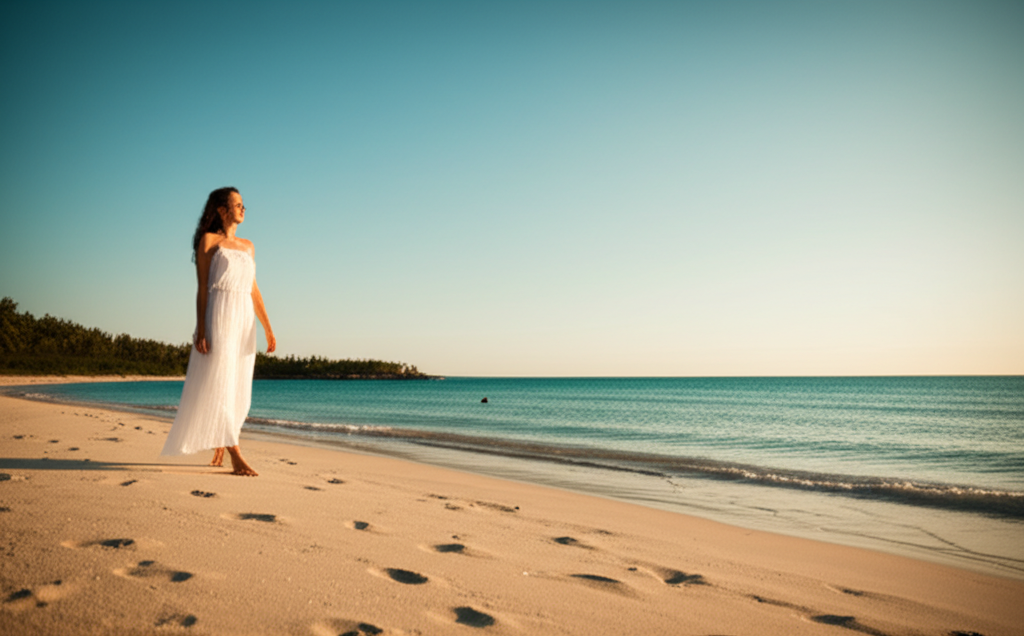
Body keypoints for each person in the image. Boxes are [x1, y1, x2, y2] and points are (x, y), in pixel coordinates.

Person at [161, 187, 276, 476]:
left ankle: (224, 439)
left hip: (243, 320)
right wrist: (201, 327)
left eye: (243, 204)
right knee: (220, 380)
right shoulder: (209, 241)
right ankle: (235, 451)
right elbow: (202, 288)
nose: (243, 208)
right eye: (237, 204)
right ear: (222, 210)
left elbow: (254, 290)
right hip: (220, 316)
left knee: (239, 385)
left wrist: (268, 328)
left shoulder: (249, 246)